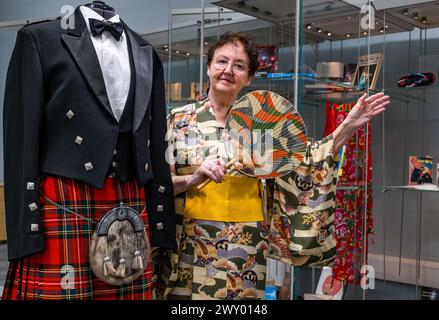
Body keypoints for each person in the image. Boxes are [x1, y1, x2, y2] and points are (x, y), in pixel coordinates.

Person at [164, 31, 390, 300]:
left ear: (248, 77)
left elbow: (304, 163)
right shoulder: (179, 121)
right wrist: (193, 179)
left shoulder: (263, 125)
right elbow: (160, 185)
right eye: (221, 62)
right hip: (190, 242)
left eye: (238, 65)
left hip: (244, 246)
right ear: (209, 67)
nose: (228, 70)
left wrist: (346, 127)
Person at [2, 4, 175, 300]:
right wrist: (25, 232)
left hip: (131, 204)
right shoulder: (39, 39)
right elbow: (21, 139)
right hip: (62, 199)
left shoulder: (146, 50)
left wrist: (161, 226)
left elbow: (156, 142)